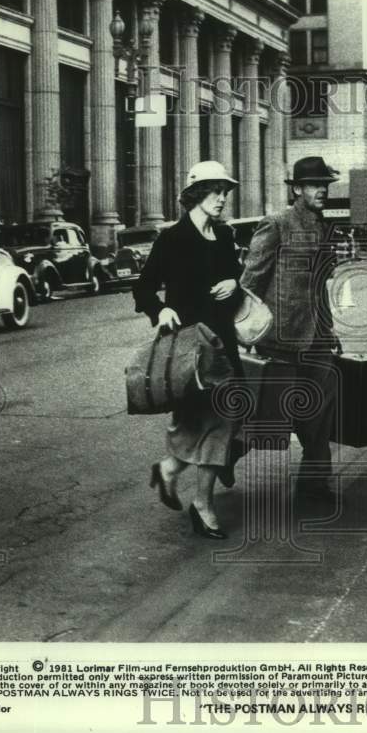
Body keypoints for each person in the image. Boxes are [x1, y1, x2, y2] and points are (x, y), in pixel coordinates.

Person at [132, 160, 243, 539]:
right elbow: (144, 288)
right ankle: (194, 495)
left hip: (223, 343)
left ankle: (182, 482)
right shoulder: (173, 239)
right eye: (216, 192)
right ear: (196, 194)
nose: (222, 199)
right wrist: (160, 308)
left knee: (223, 420)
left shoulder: (224, 236)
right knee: (200, 423)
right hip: (188, 349)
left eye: (225, 193)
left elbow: (236, 277)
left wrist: (233, 282)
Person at [240, 156, 343, 500]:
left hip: (317, 339)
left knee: (320, 413)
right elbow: (251, 282)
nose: (322, 191)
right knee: (266, 419)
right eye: (315, 185)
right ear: (297, 189)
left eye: (325, 185)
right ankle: (224, 455)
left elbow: (320, 287)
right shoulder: (276, 224)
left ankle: (314, 484)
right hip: (279, 339)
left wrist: (330, 330)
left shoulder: (325, 228)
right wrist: (242, 333)